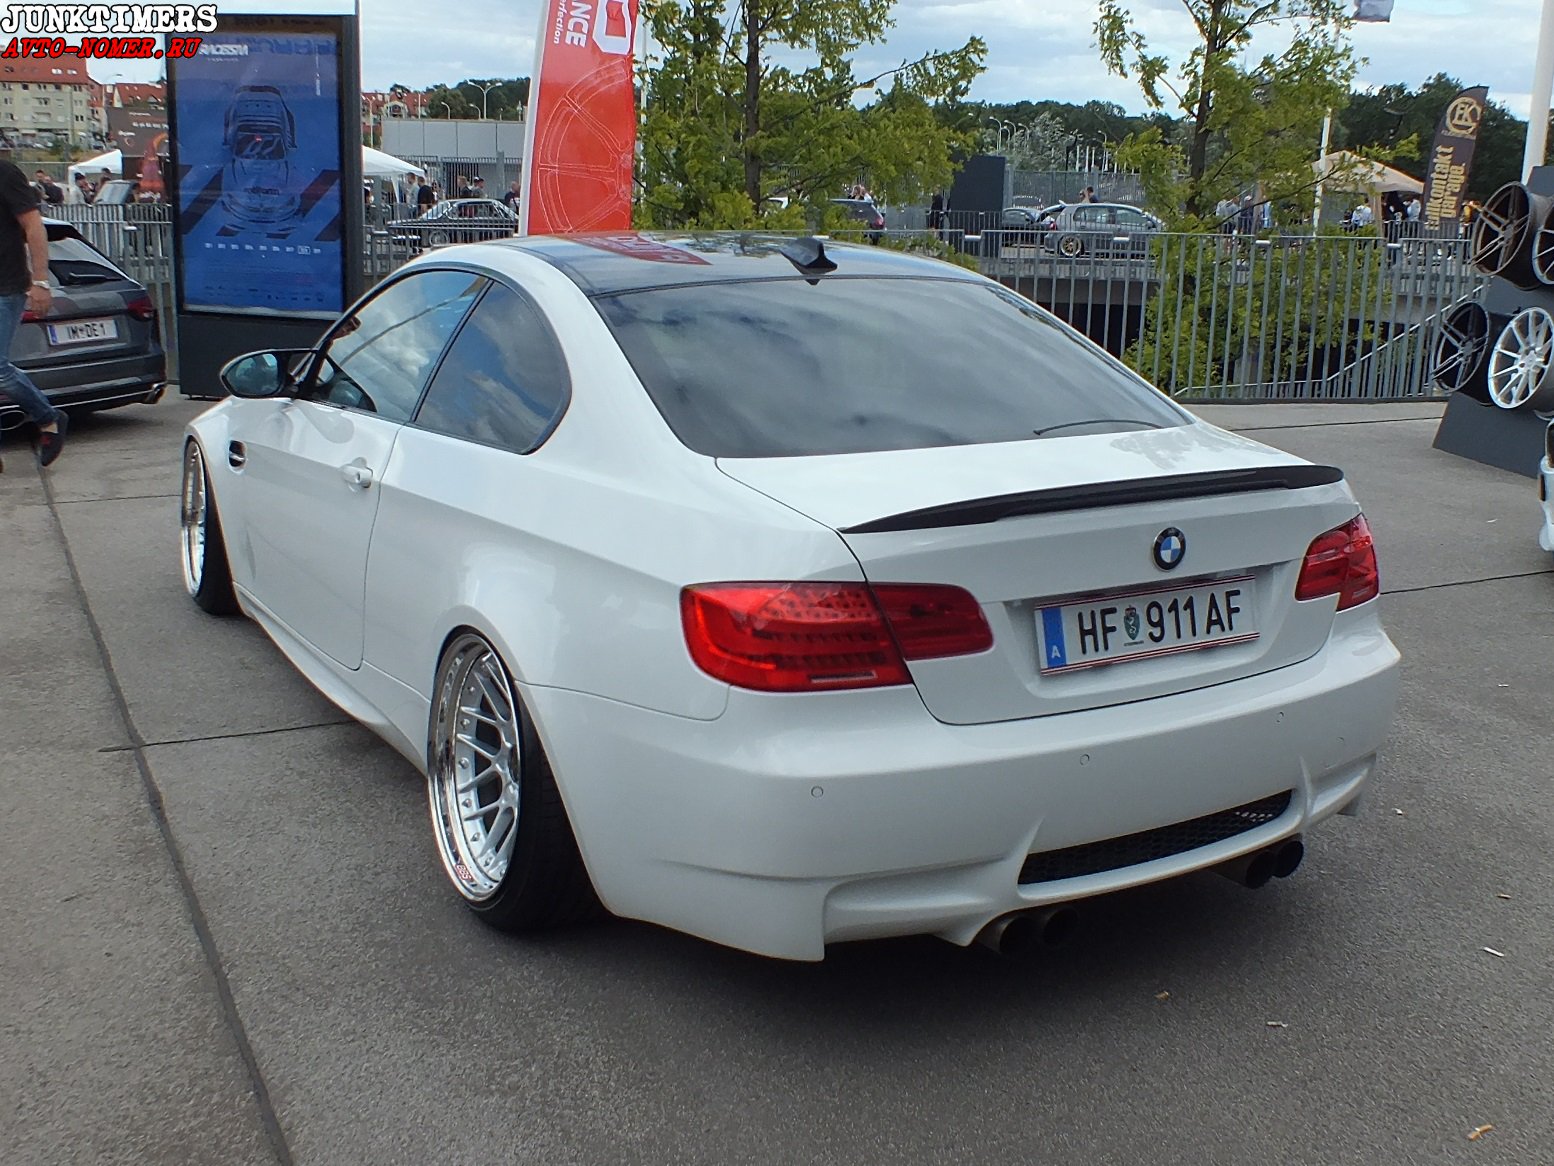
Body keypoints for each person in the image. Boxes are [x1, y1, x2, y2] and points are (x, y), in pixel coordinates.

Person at [0, 159, 67, 470]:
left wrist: (40, 281)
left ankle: (48, 418)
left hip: (5, 286)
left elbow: (34, 226)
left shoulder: (5, 172)